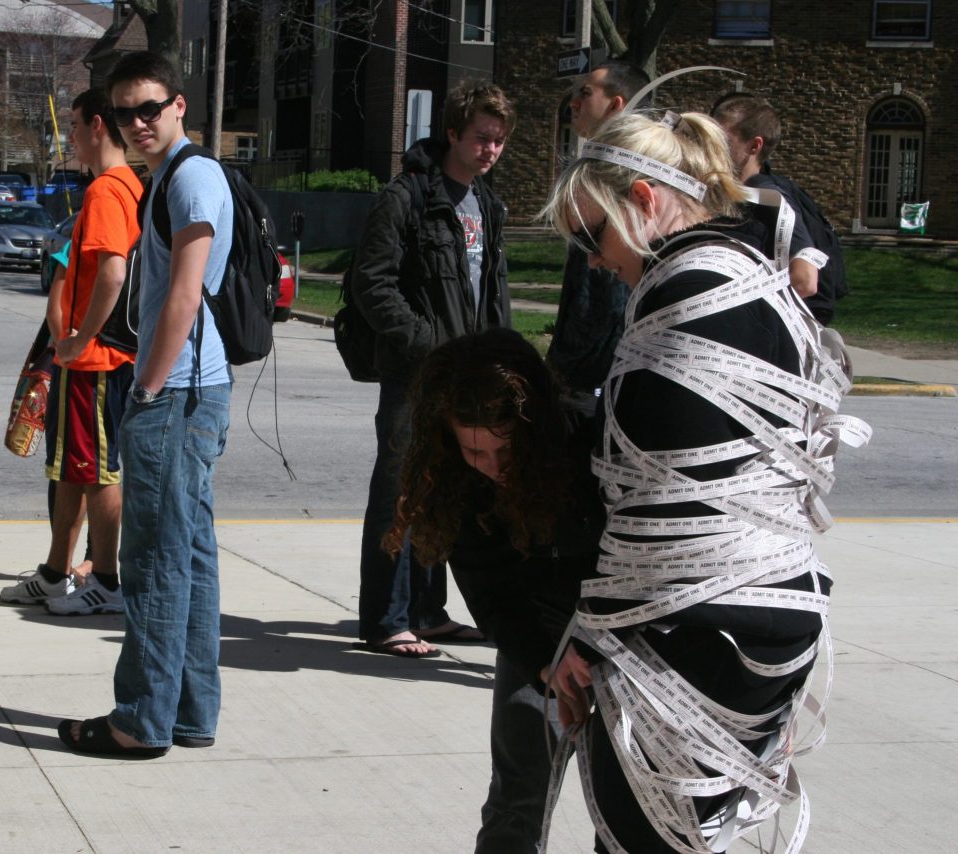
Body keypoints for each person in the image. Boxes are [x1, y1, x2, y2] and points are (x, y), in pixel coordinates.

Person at [540, 111, 869, 852]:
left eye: (593, 235)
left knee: (643, 839)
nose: (592, 261)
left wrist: (588, 640)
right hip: (769, 613)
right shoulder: (754, 279)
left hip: (699, 629)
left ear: (647, 200)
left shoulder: (686, 300)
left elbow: (661, 512)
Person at [56, 50, 234, 758]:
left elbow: (184, 298)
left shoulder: (191, 180)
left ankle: (138, 720)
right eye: (127, 112)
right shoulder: (167, 178)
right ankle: (188, 713)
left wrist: (150, 389)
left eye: (150, 109)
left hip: (179, 393)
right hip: (193, 391)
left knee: (157, 560)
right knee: (188, 555)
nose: (137, 123)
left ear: (180, 106)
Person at [386, 328, 603, 852]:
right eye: (475, 451)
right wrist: (547, 665)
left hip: (621, 632)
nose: (494, 466)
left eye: (505, 448)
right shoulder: (456, 482)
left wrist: (594, 652)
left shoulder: (588, 440)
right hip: (538, 633)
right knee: (516, 797)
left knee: (628, 802)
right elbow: (491, 598)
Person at [350, 80, 516, 658]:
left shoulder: (488, 206)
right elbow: (372, 283)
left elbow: (492, 292)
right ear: (452, 133)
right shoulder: (408, 196)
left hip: (468, 375)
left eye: (498, 141)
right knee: (399, 492)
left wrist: (500, 356)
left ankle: (428, 611)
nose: (491, 150)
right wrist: (428, 344)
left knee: (444, 493)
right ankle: (385, 620)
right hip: (416, 373)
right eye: (481, 138)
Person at [0, 87, 141, 615]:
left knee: (97, 469)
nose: (71, 138)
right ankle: (57, 573)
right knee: (72, 468)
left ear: (98, 125)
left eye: (76, 126)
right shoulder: (122, 187)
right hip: (91, 360)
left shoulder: (108, 191)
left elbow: (113, 269)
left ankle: (105, 579)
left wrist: (81, 337)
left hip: (96, 362)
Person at [548, 60, 648, 415]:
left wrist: (569, 371)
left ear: (616, 105)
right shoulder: (601, 170)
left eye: (585, 93)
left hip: (597, 380)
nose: (573, 102)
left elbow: (606, 299)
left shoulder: (622, 179)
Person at [711, 94, 832, 320]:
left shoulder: (767, 196)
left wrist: (742, 314)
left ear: (754, 146)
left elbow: (805, 281)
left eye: (722, 141)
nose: (711, 149)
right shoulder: (736, 194)